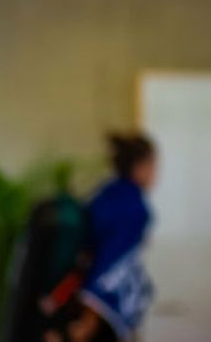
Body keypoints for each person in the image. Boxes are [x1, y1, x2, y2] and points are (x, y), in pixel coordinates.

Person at [60, 133, 157, 342]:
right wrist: (90, 319)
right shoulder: (134, 208)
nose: (155, 173)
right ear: (140, 167)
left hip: (78, 296)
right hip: (100, 314)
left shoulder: (107, 193)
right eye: (153, 165)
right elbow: (112, 264)